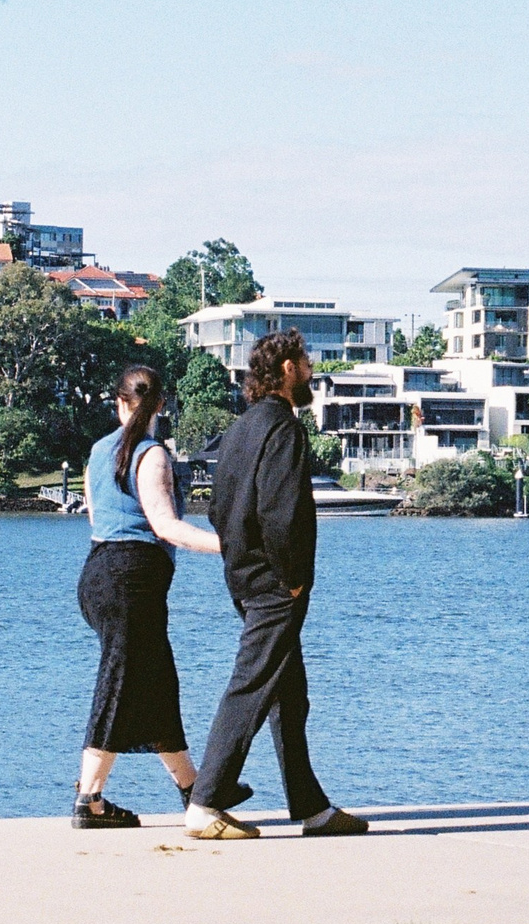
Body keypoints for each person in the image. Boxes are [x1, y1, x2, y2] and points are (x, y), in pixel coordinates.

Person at [184, 329, 367, 840]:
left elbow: (217, 508)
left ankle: (312, 808)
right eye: (305, 361)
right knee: (251, 685)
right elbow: (280, 512)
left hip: (244, 576)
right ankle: (204, 802)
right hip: (274, 583)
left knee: (290, 693)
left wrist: (239, 560)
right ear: (287, 369)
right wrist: (292, 580)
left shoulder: (240, 428)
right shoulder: (284, 427)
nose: (310, 369)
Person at [71, 365, 223, 829]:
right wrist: (230, 546)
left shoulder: (97, 451)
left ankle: (194, 790)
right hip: (131, 582)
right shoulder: (153, 455)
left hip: (99, 574)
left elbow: (96, 517)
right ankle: (89, 799)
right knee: (119, 682)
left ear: (118, 402)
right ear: (161, 406)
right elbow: (165, 526)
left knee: (156, 682)